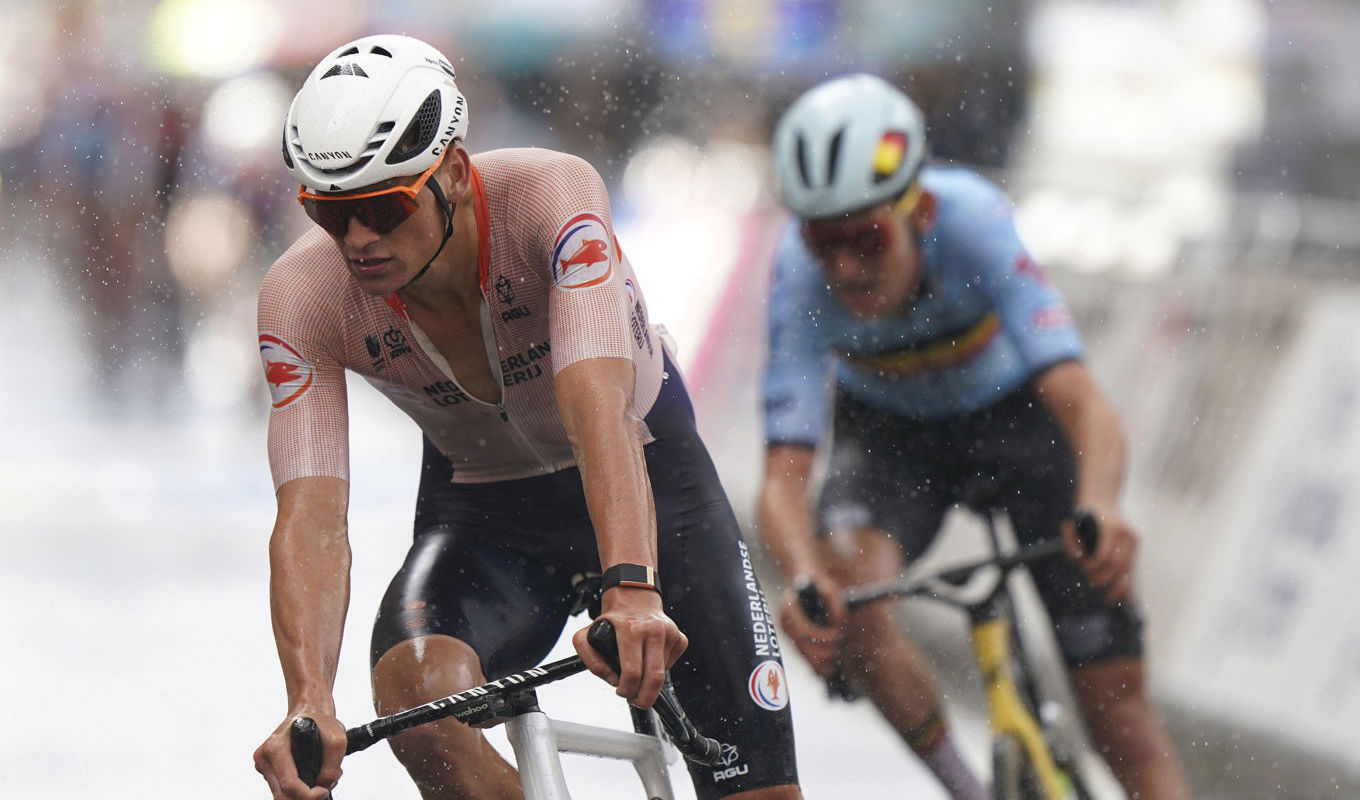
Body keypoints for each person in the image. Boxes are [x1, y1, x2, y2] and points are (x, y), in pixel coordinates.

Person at [250, 34, 802, 800]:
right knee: (417, 705)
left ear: (450, 169)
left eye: (382, 207)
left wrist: (634, 589)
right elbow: (310, 516)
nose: (358, 241)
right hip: (486, 512)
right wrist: (308, 698)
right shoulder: (301, 297)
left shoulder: (550, 195)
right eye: (329, 214)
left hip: (647, 475)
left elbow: (599, 412)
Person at [758, 73, 1194, 800]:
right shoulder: (797, 275)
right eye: (821, 241)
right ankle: (968, 791)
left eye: (865, 237)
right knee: (854, 601)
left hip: (1016, 424)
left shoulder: (972, 221)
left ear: (917, 209)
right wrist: (805, 580)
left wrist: (1102, 504)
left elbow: (1084, 404)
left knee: (1120, 716)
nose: (842, 266)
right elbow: (782, 476)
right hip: (890, 441)